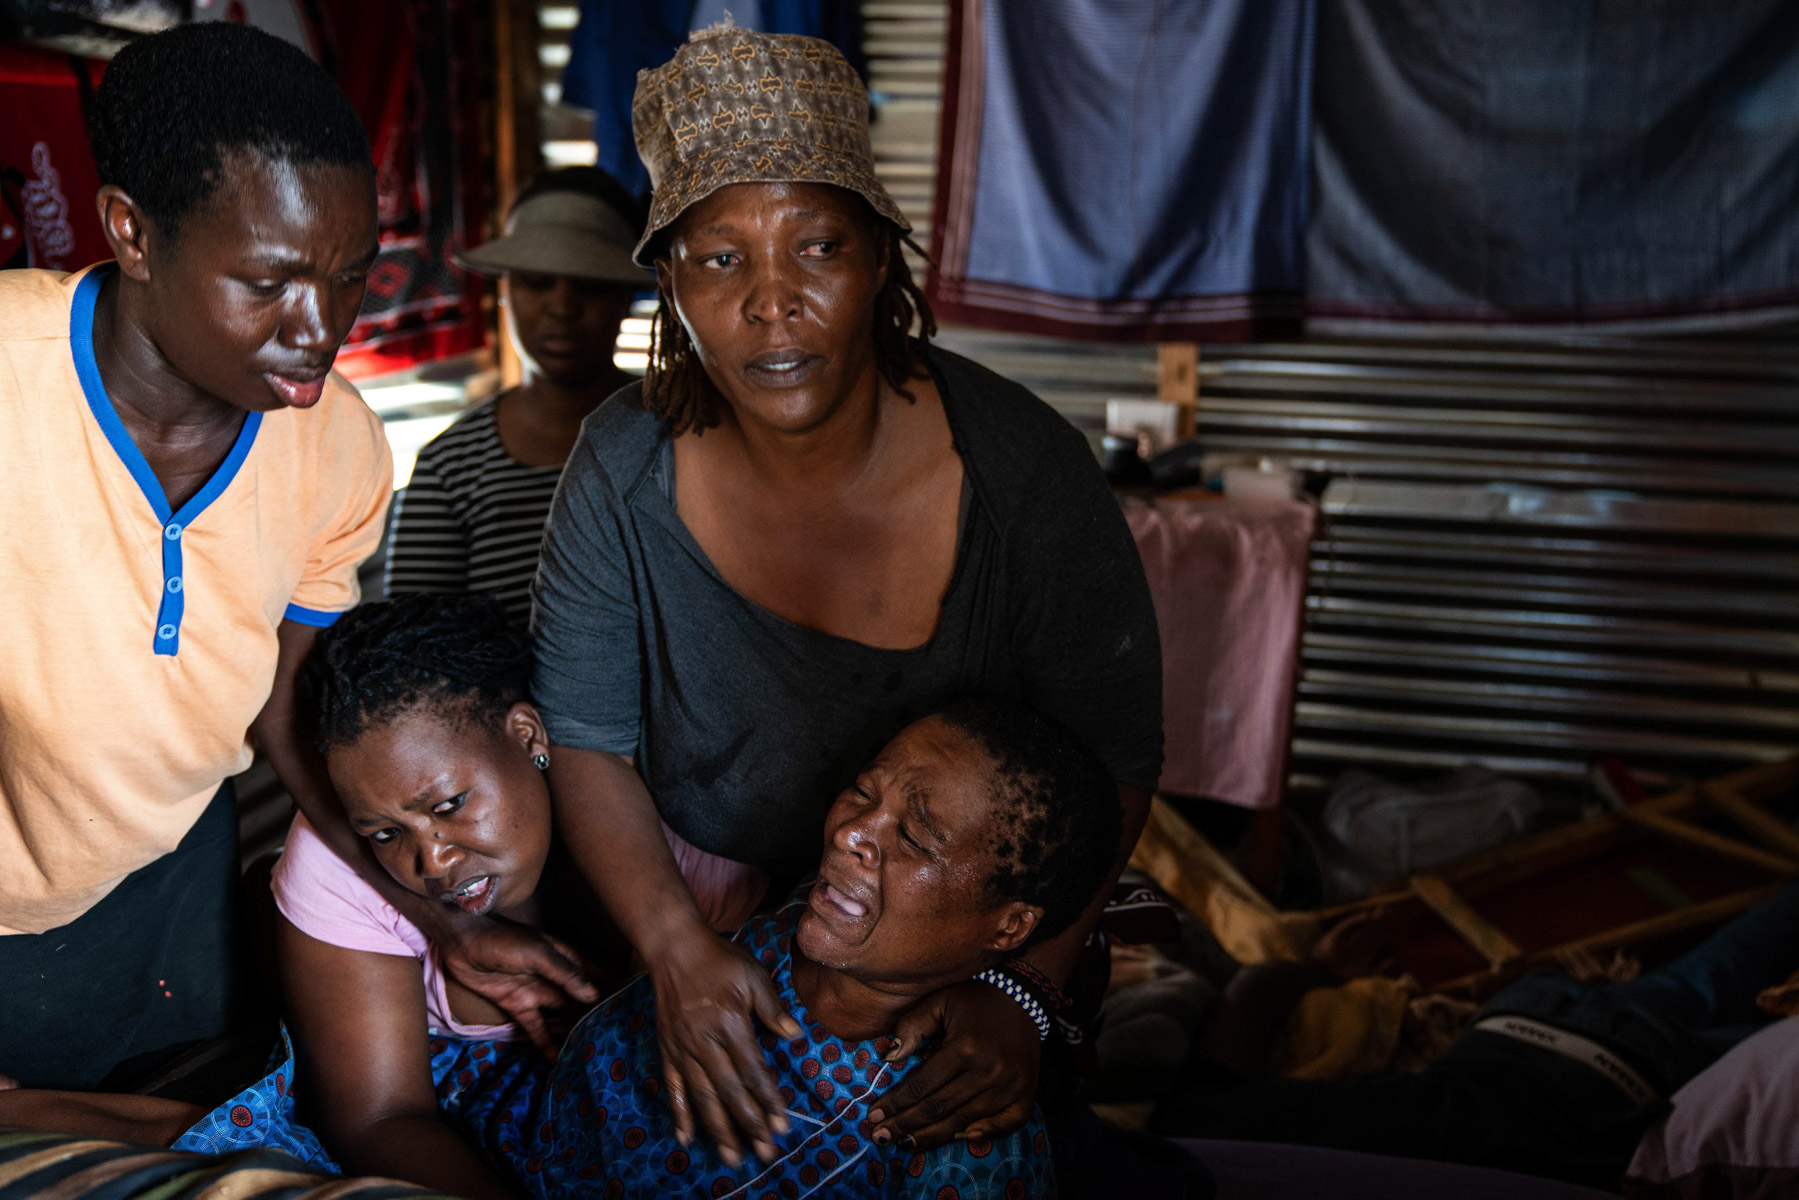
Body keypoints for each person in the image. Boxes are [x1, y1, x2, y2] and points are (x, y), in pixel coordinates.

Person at [531, 24, 1164, 1167]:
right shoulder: (620, 470)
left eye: (815, 247)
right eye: (719, 259)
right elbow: (583, 739)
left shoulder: (1019, 471)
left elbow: (1114, 757)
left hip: (958, 959)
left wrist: (1021, 990)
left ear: (879, 259)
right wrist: (674, 949)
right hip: (696, 928)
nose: (772, 304)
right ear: (667, 282)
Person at [28, 593, 1105, 1197]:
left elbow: (905, 960)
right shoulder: (339, 867)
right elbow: (378, 1112)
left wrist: (1012, 1000)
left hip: (572, 1125)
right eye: (386, 834)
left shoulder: (686, 846)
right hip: (476, 1123)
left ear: (532, 736)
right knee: (237, 1134)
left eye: (450, 804)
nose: (431, 858)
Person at [0, 22, 587, 1093]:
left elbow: (289, 709)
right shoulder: (9, 384)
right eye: (268, 282)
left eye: (349, 277)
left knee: (171, 1118)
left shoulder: (338, 443)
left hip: (170, 875)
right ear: (132, 234)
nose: (318, 329)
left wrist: (428, 924)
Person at [1152, 882, 1799, 1191]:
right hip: (1530, 1022)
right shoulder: (1186, 1133)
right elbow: (1251, 993)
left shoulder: (1187, 1147)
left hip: (1632, 1093)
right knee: (1736, 956)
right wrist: (1320, 969)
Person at [385, 167, 647, 625]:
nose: (562, 308)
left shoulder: (682, 431)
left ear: (626, 297)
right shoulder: (450, 467)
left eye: (590, 286)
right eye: (537, 282)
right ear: (504, 290)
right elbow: (417, 649)